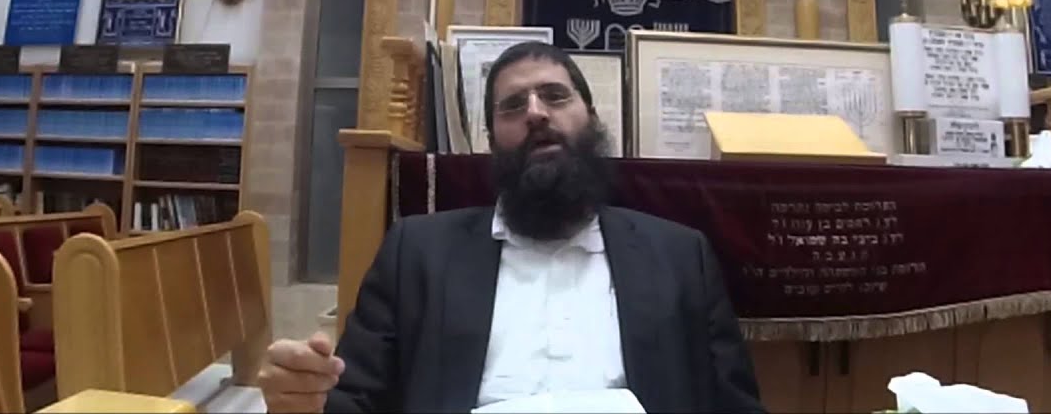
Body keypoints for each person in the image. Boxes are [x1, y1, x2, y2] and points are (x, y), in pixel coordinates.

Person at [259, 42, 765, 413]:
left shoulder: (680, 256)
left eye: (555, 96)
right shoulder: (416, 253)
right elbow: (352, 399)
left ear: (591, 117)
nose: (536, 114)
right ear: (491, 140)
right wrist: (302, 399)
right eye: (513, 106)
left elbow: (736, 406)